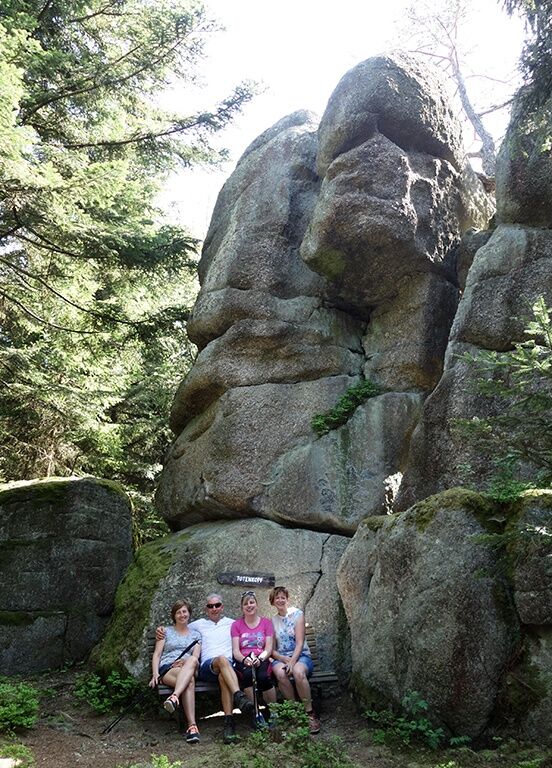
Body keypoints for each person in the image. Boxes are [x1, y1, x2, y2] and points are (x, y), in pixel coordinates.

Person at [156, 592, 254, 744]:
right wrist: (161, 629)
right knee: (222, 660)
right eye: (210, 606)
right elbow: (180, 626)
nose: (214, 609)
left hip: (227, 669)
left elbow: (251, 626)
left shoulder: (232, 623)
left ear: (222, 607)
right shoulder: (198, 625)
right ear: (206, 609)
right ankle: (238, 696)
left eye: (217, 605)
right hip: (208, 667)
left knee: (224, 674)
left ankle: (229, 724)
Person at [269, 585, 320, 734]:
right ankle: (295, 712)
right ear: (272, 601)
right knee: (280, 673)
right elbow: (272, 650)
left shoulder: (298, 615)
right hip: (282, 657)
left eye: (283, 597)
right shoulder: (272, 621)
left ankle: (309, 713)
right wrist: (284, 659)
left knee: (298, 672)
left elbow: (299, 642)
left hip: (301, 656)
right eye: (277, 598)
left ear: (287, 599)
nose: (280, 600)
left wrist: (292, 662)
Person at [149, 599, 202, 743]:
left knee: (192, 660)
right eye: (178, 612)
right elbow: (157, 655)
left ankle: (174, 697)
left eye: (184, 611)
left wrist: (185, 661)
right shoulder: (165, 632)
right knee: (189, 681)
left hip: (189, 666)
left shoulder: (196, 635)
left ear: (189, 613)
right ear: (174, 616)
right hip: (169, 668)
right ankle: (192, 727)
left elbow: (196, 658)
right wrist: (155, 674)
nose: (182, 615)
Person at [231, 590, 277, 719]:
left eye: (252, 602)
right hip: (244, 659)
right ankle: (255, 713)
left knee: (263, 677)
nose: (249, 606)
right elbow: (236, 651)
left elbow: (268, 648)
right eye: (246, 604)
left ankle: (274, 712)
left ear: (257, 605)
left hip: (261, 657)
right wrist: (244, 660)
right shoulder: (236, 625)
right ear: (242, 607)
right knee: (247, 676)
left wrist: (260, 659)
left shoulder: (266, 623)